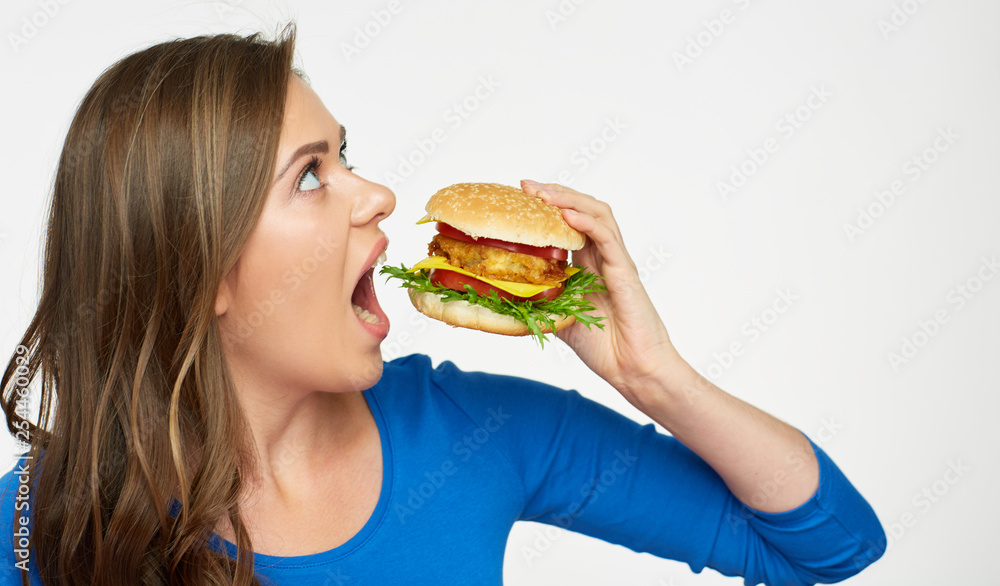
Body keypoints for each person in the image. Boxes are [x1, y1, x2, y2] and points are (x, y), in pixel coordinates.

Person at [0, 25, 885, 585]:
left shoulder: (471, 426)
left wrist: (657, 380)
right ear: (205, 271)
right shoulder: (42, 521)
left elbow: (828, 546)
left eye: (348, 154)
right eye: (312, 175)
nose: (379, 194)